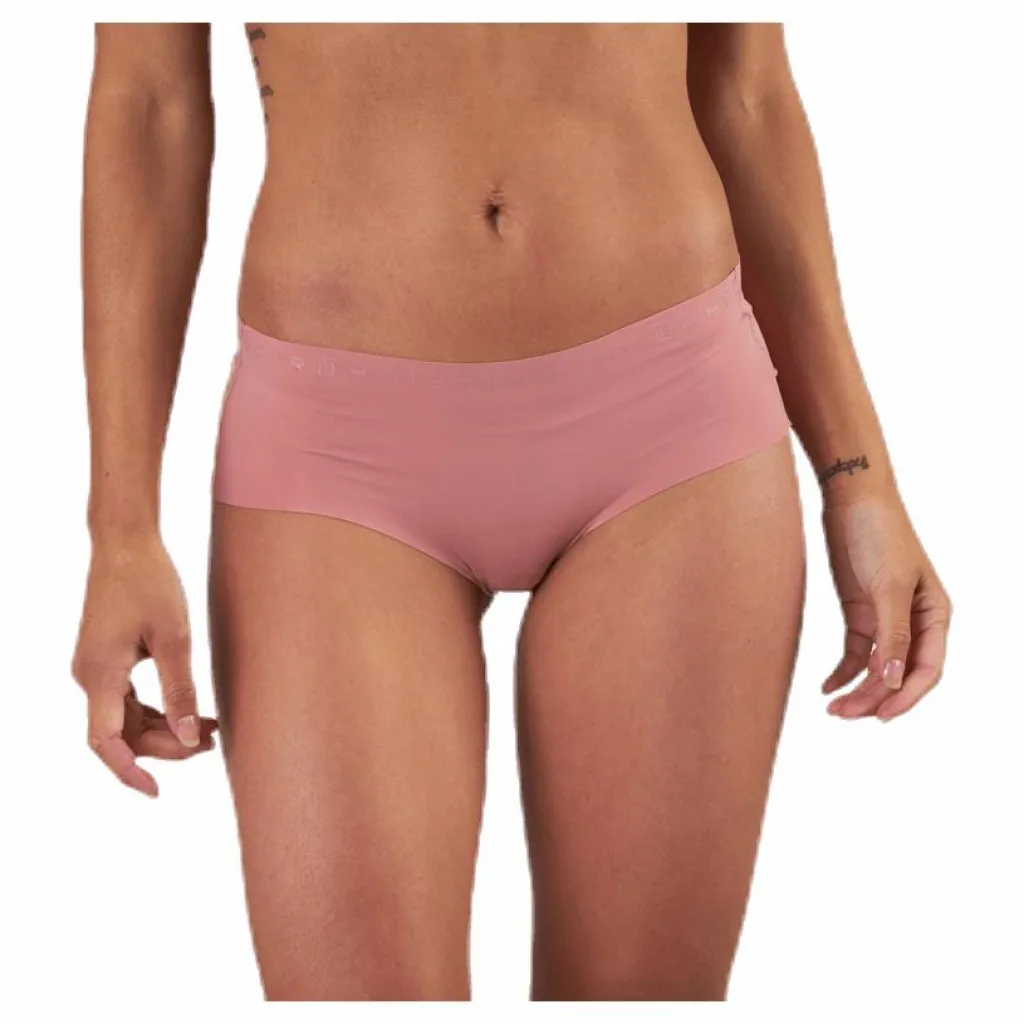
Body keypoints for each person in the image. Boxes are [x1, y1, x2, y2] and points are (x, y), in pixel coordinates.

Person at [72, 23, 952, 1001]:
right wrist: (121, 530)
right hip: (335, 453)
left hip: (672, 420)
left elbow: (745, 90)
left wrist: (859, 477)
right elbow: (147, 104)